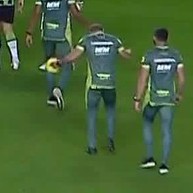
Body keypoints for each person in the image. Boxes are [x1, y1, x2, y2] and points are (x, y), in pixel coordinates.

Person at [57, 23, 132, 154]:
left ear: (91, 32)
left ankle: (92, 147)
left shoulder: (87, 40)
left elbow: (74, 55)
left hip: (94, 85)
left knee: (92, 114)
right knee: (110, 112)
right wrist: (128, 52)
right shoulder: (114, 40)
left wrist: (61, 61)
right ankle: (110, 140)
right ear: (102, 31)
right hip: (110, 84)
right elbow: (125, 55)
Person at [25, 0, 86, 109]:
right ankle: (59, 89)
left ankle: (51, 95)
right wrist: (88, 25)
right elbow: (75, 14)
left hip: (47, 33)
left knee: (50, 62)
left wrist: (29, 32)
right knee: (68, 63)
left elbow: (36, 14)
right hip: (61, 34)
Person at [135, 28, 185, 175]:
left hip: (153, 99)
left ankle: (150, 157)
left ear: (155, 38)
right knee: (166, 131)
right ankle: (164, 164)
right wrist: (179, 94)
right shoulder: (176, 55)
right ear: (167, 38)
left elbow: (143, 80)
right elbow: (181, 79)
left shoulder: (150, 56)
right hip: (168, 99)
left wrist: (137, 98)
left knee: (147, 123)